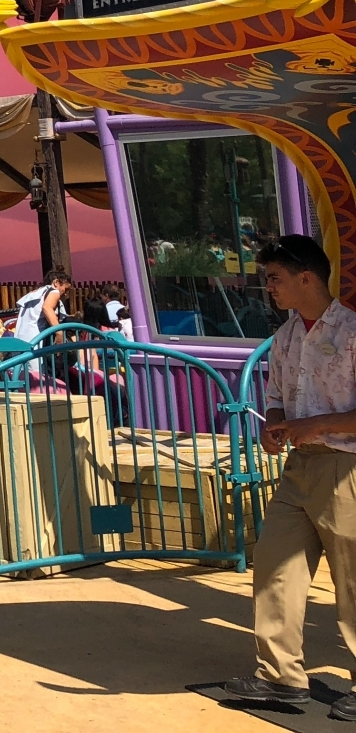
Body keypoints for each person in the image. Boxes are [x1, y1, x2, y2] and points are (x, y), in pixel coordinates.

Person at [222, 237, 356, 714]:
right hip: (300, 467)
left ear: (306, 277)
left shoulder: (352, 331)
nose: (270, 288)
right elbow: (276, 396)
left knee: (352, 581)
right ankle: (281, 676)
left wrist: (313, 425)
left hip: (346, 468)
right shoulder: (285, 337)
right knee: (275, 567)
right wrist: (276, 425)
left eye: (275, 278)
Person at [12, 274, 71, 341]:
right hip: (37, 338)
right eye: (66, 289)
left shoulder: (35, 294)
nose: (65, 294)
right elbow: (47, 308)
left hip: (22, 337)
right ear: (56, 283)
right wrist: (59, 333)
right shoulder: (54, 292)